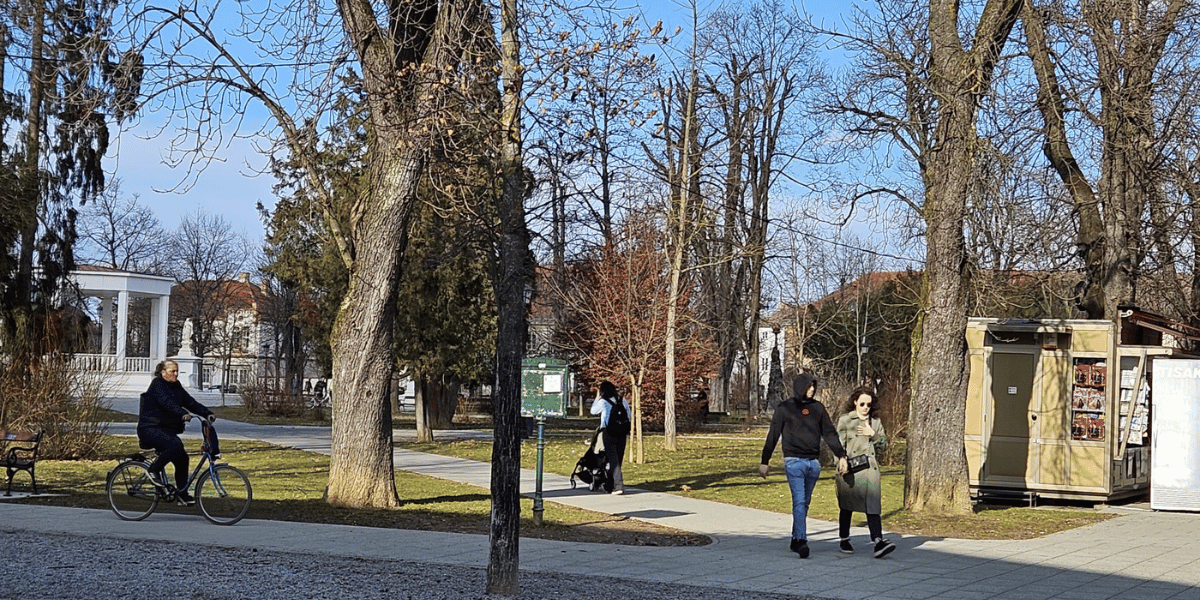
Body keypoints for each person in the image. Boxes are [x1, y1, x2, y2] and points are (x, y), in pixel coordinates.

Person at [759, 373, 849, 558]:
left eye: (814, 386)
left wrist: (841, 455)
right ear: (800, 387)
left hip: (813, 463)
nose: (812, 390)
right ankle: (801, 541)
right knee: (799, 502)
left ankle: (794, 539)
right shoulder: (785, 408)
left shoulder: (818, 409)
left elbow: (829, 433)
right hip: (794, 462)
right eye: (809, 387)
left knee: (804, 504)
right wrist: (764, 461)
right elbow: (773, 434)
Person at [137, 359, 215, 505]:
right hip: (150, 429)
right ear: (163, 372)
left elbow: (190, 402)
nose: (176, 374)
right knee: (175, 445)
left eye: (177, 371)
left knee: (182, 458)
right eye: (173, 371)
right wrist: (182, 413)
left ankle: (182, 494)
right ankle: (154, 471)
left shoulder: (176, 386)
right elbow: (167, 403)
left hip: (165, 430)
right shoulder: (157, 385)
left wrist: (207, 413)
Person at [835, 387, 896, 558]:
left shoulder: (875, 422)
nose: (865, 407)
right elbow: (838, 445)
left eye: (869, 404)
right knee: (847, 505)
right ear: (855, 402)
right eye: (862, 403)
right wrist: (840, 461)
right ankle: (844, 538)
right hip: (850, 469)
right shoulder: (846, 421)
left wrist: (873, 435)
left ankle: (878, 541)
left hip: (870, 469)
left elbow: (883, 447)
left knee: (873, 505)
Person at [590, 381, 631, 495]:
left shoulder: (603, 402)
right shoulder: (622, 400)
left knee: (613, 460)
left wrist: (597, 397)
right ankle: (609, 485)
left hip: (608, 432)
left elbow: (593, 411)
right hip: (622, 433)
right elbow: (629, 414)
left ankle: (618, 486)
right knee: (618, 459)